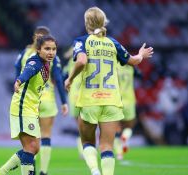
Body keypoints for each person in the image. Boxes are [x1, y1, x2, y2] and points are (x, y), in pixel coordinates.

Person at [65, 7, 153, 175]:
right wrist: (141, 54)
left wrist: (70, 78)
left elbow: (82, 61)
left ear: (86, 23)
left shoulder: (82, 41)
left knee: (88, 142)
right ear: (103, 22)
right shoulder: (113, 43)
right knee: (107, 146)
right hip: (112, 100)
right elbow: (134, 61)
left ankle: (94, 171)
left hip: (90, 101)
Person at [0, 35, 58, 175]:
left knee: (35, 148)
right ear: (38, 50)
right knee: (31, 147)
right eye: (47, 49)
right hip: (22, 107)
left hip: (31, 108)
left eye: (53, 49)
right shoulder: (36, 62)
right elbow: (29, 70)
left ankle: (0, 172)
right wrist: (19, 81)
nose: (51, 52)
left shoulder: (46, 63)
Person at [15, 26, 68, 175]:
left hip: (29, 101)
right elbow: (57, 78)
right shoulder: (52, 56)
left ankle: (30, 169)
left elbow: (17, 70)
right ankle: (43, 171)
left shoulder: (25, 53)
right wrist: (64, 102)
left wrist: (17, 87)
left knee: (30, 141)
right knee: (45, 136)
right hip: (47, 100)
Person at [63, 47, 83, 157]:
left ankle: (82, 150)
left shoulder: (70, 63)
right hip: (84, 96)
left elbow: (63, 76)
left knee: (79, 126)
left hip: (73, 97)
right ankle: (87, 148)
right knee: (87, 125)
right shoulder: (84, 60)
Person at [113, 64, 137, 160]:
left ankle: (119, 154)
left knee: (116, 128)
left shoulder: (114, 66)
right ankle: (125, 137)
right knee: (129, 126)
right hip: (130, 100)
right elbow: (140, 74)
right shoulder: (131, 67)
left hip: (117, 100)